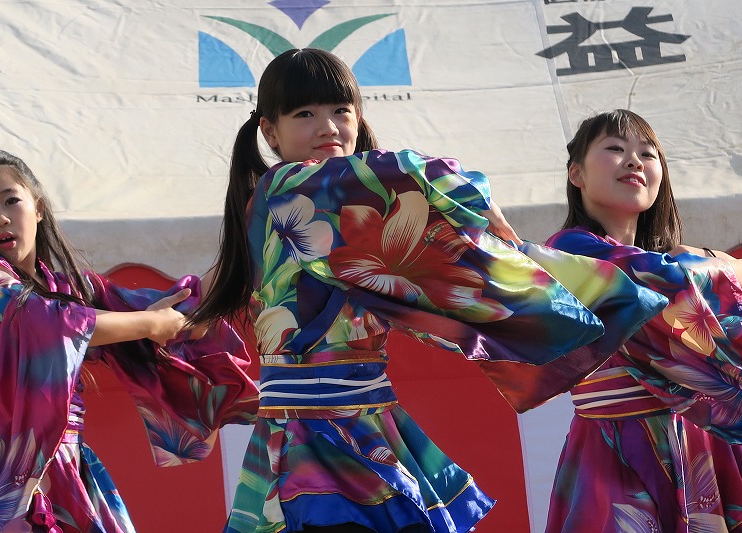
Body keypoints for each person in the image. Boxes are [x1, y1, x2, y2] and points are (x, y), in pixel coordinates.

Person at [191, 49, 668, 533]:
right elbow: (410, 178)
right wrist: (480, 213)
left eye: (341, 111)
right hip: (311, 434)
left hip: (364, 421)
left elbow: (429, 283)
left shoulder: (340, 212)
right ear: (270, 133)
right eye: (305, 114)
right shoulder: (291, 188)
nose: (328, 126)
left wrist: (506, 271)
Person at [0, 150, 259, 531]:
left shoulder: (65, 289)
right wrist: (147, 322)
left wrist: (252, 236)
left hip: (65, 466)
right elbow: (47, 325)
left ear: (38, 208)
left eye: (12, 199)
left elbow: (157, 310)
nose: (0, 217)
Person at [544, 109, 742, 532]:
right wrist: (722, 263)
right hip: (617, 444)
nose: (635, 161)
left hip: (694, 443)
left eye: (648, 154)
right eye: (615, 149)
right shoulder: (572, 252)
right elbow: (666, 281)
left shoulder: (669, 259)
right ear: (576, 173)